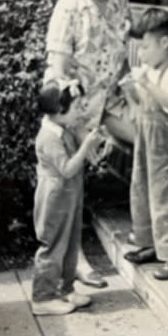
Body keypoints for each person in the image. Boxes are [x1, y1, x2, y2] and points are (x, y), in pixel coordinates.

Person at [45, 0, 136, 287]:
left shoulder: (120, 1)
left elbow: (122, 54)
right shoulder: (69, 7)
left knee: (148, 136)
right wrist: (80, 131)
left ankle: (147, 227)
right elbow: (58, 69)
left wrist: (134, 95)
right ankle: (76, 259)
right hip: (73, 106)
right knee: (72, 183)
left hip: (109, 97)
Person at [123, 8, 168, 280]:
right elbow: (141, 107)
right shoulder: (149, 70)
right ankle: (150, 243)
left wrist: (147, 85)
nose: (141, 54)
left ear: (165, 43)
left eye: (145, 47)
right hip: (145, 138)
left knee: (166, 197)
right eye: (139, 48)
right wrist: (130, 92)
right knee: (141, 188)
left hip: (167, 145)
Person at [31, 79, 104, 316]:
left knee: (71, 243)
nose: (80, 111)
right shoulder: (48, 137)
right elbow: (67, 169)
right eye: (76, 107)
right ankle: (42, 297)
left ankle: (65, 288)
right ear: (58, 111)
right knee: (53, 245)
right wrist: (85, 148)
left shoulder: (65, 129)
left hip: (70, 195)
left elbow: (85, 160)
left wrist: (96, 149)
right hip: (54, 199)